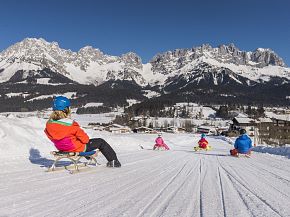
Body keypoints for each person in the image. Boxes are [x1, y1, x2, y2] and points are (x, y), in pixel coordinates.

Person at [44, 96, 121, 167]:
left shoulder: (49, 124)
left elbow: (53, 136)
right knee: (100, 142)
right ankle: (114, 161)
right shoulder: (71, 124)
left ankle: (88, 156)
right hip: (76, 148)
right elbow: (85, 139)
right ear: (66, 110)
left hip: (62, 148)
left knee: (78, 141)